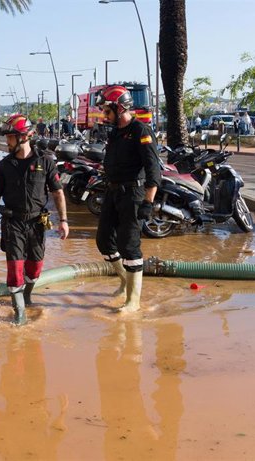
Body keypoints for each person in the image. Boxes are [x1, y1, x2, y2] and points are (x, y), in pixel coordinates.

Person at [0, 114, 69, 324]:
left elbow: (57, 193)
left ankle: (27, 295)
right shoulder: (4, 166)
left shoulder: (45, 162)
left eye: (10, 137)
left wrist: (63, 220)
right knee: (14, 269)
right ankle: (19, 314)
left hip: (38, 223)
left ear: (23, 137)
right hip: (13, 224)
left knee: (35, 268)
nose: (7, 141)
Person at [94, 86, 161, 313]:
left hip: (133, 194)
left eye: (107, 110)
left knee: (129, 246)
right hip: (113, 192)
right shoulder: (115, 132)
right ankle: (124, 280)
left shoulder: (141, 131)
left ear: (119, 107)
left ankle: (133, 301)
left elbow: (154, 171)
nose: (104, 115)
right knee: (104, 240)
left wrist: (148, 203)